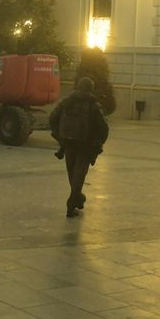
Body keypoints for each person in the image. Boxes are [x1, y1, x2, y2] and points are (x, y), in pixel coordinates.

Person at [48, 76, 109, 218]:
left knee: (73, 174)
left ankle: (78, 198)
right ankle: (72, 204)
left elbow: (52, 118)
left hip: (68, 144)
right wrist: (98, 143)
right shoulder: (93, 104)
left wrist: (60, 137)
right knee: (79, 175)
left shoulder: (67, 101)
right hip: (85, 145)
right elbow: (104, 127)